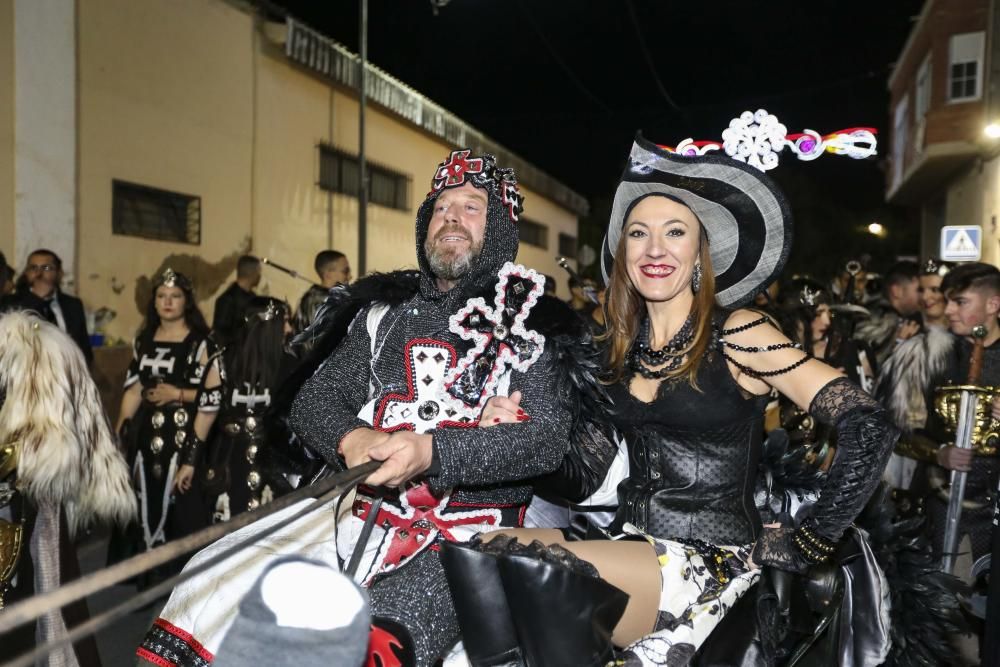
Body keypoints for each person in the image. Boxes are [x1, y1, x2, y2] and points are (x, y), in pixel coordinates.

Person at [139, 150, 603, 666]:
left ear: (498, 228)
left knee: (372, 641)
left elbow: (542, 441)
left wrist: (431, 451)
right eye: (441, 207)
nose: (451, 217)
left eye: (471, 207)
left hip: (472, 538)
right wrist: (353, 439)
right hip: (354, 518)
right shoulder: (381, 315)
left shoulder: (535, 321)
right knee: (213, 583)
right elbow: (315, 399)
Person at [445, 137, 898, 664]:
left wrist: (814, 538)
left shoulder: (741, 332)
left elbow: (869, 424)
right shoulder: (618, 349)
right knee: (475, 551)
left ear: (700, 254)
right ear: (624, 256)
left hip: (713, 562)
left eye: (674, 233)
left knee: (537, 568)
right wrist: (518, 432)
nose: (654, 249)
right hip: (629, 544)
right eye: (638, 234)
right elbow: (584, 477)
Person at [0, 310, 134, 666]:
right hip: (28, 492)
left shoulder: (39, 345)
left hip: (29, 498)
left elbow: (53, 438)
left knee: (43, 593)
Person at [111, 269, 213, 566]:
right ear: (154, 302)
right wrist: (120, 433)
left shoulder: (201, 343)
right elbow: (134, 391)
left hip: (185, 432)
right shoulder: (144, 339)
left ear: (186, 302)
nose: (168, 302)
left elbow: (215, 395)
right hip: (147, 433)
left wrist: (178, 394)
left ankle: (181, 571)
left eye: (175, 296)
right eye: (161, 296)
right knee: (146, 496)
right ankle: (148, 570)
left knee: (182, 503)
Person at [183, 297, 297, 521]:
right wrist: (189, 461)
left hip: (271, 462)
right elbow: (206, 413)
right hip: (229, 460)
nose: (289, 329)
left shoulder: (289, 364)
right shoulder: (223, 362)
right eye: (283, 322)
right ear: (266, 326)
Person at [876, 259, 956, 489]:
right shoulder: (908, 336)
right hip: (911, 453)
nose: (926, 297)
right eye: (921, 289)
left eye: (935, 289)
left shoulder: (966, 341)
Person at [0, 248, 93, 363]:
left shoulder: (73, 305)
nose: (39, 273)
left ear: (59, 273)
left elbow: (84, 349)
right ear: (26, 273)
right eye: (33, 268)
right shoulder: (10, 303)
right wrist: (37, 300)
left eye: (46, 268)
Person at [854, 260, 922, 366]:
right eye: (919, 290)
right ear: (896, 291)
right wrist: (899, 343)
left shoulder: (895, 318)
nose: (923, 296)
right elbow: (869, 365)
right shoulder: (884, 319)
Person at [293, 249, 351, 333]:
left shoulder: (311, 297)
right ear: (328, 274)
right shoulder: (322, 302)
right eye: (345, 271)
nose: (350, 276)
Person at [212, 255, 261, 346]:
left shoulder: (254, 298)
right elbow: (220, 336)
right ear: (252, 273)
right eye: (258, 272)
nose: (260, 276)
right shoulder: (226, 301)